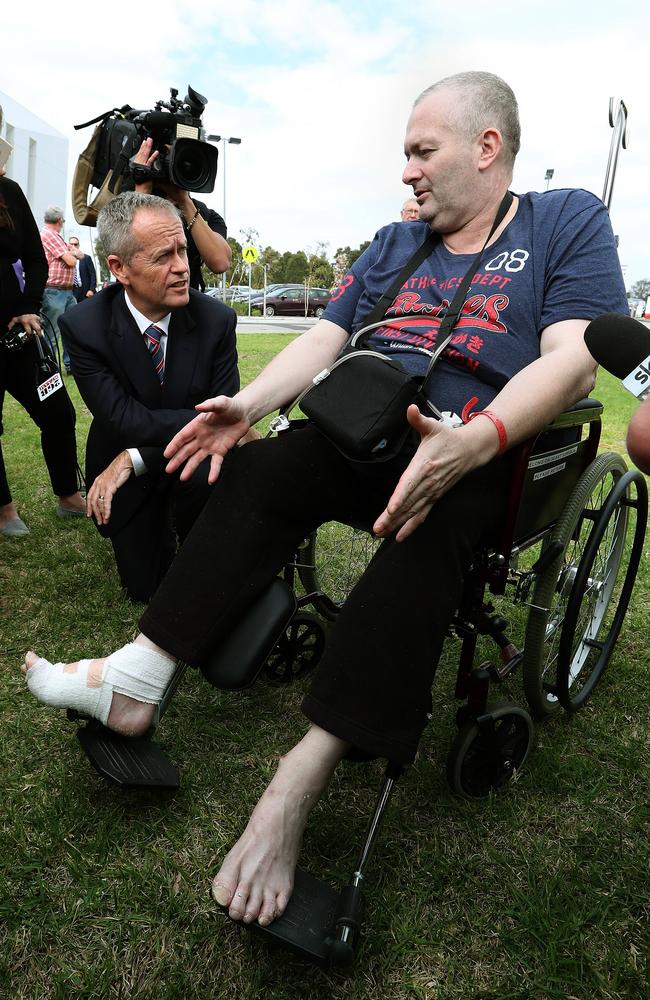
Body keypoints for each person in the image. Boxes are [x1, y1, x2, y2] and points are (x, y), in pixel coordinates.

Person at [23, 72, 629, 929]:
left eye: (423, 152)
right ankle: (139, 678)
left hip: (479, 439)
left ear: (486, 147)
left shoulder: (564, 221)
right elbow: (327, 335)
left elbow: (572, 358)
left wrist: (476, 440)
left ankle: (298, 778)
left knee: (432, 507)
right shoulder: (395, 241)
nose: (408, 172)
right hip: (367, 419)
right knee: (263, 469)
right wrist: (250, 407)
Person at [58, 191, 240, 602]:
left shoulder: (216, 320)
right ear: (119, 268)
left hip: (181, 463)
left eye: (183, 250)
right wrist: (203, 424)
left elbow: (222, 418)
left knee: (199, 570)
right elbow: (124, 420)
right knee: (147, 589)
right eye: (163, 257)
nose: (182, 268)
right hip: (126, 476)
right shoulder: (84, 327)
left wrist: (134, 458)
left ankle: (192, 529)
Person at [0, 113, 86, 536]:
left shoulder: (9, 192)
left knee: (57, 411)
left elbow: (35, 259)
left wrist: (29, 306)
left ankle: (69, 496)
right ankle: (4, 510)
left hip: (18, 329)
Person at [131, 138, 231, 290]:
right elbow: (126, 254)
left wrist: (184, 201)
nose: (173, 164)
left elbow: (220, 262)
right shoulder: (128, 205)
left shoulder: (205, 215)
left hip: (187, 307)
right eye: (164, 156)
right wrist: (141, 190)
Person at [40, 205, 83, 373]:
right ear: (60, 221)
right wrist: (71, 253)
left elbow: (79, 255)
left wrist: (71, 253)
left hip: (65, 291)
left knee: (70, 328)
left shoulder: (56, 236)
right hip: (55, 291)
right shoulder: (49, 235)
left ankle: (69, 365)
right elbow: (73, 260)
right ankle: (49, 367)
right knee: (52, 332)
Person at [69, 238, 97, 303]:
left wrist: (91, 290)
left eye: (75, 244)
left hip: (85, 292)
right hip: (72, 291)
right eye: (71, 244)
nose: (73, 246)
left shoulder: (86, 258)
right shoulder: (66, 259)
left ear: (78, 245)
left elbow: (93, 274)